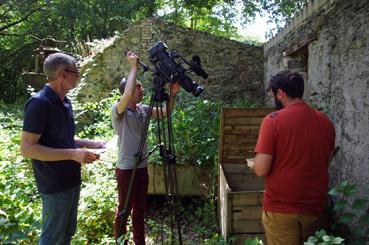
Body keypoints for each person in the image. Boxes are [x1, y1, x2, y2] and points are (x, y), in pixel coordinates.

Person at [20, 52, 106, 245]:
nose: (79, 75)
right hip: (55, 186)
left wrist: (91, 144)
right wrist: (73, 154)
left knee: (66, 235)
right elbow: (27, 148)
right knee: (52, 240)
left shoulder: (65, 102)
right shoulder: (39, 103)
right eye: (76, 71)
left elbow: (63, 140)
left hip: (71, 182)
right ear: (63, 74)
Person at [250, 71, 336, 245]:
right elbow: (324, 161)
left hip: (281, 207)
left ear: (280, 93)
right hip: (315, 207)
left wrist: (253, 164)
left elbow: (261, 169)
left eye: (274, 94)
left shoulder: (272, 121)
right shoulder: (326, 122)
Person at [111, 51, 181, 244]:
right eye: (138, 88)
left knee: (140, 209)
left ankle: (139, 241)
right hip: (126, 168)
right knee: (123, 209)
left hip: (141, 167)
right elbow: (125, 95)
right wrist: (133, 66)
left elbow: (166, 112)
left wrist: (172, 95)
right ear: (129, 91)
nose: (142, 91)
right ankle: (121, 242)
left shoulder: (143, 110)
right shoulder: (119, 111)